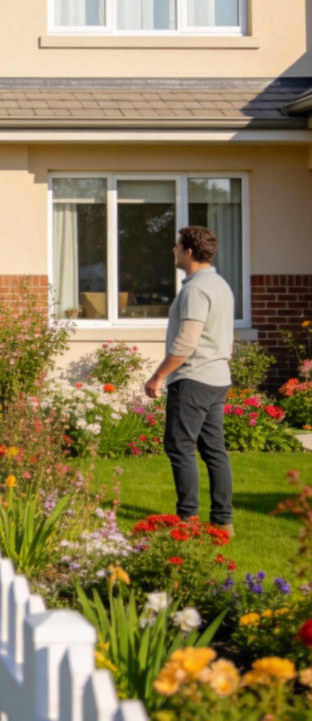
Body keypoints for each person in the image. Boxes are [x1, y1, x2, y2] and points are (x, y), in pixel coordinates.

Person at [144, 226, 235, 535]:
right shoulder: (220, 285)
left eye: (177, 246)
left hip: (194, 379)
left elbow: (186, 343)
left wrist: (158, 376)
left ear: (189, 252)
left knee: (179, 446)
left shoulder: (196, 289)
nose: (174, 251)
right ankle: (223, 521)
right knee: (214, 450)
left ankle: (188, 521)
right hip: (217, 377)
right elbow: (227, 339)